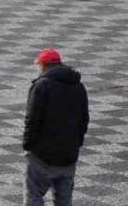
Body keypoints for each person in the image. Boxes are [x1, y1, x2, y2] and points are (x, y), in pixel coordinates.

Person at [23, 48, 89, 206]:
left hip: (42, 156)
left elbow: (32, 120)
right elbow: (84, 120)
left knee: (34, 197)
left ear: (43, 65)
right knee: (64, 200)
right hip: (68, 156)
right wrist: (75, 145)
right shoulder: (78, 86)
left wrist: (28, 146)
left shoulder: (41, 86)